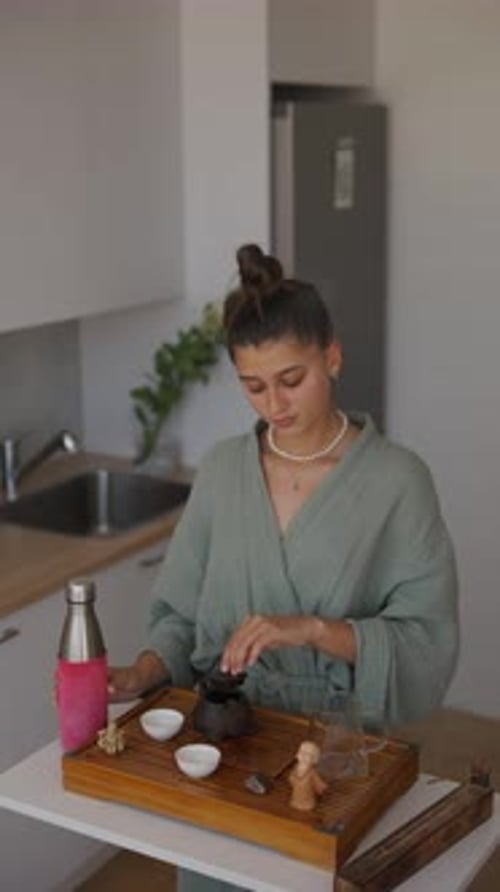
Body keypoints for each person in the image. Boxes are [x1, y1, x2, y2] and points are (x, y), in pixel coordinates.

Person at [109, 243, 459, 892]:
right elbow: (180, 616)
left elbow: (426, 640)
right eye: (253, 386)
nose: (275, 405)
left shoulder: (398, 482)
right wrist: (142, 672)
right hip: (219, 752)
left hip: (334, 757)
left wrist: (313, 629)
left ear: (333, 354)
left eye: (291, 379)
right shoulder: (221, 473)